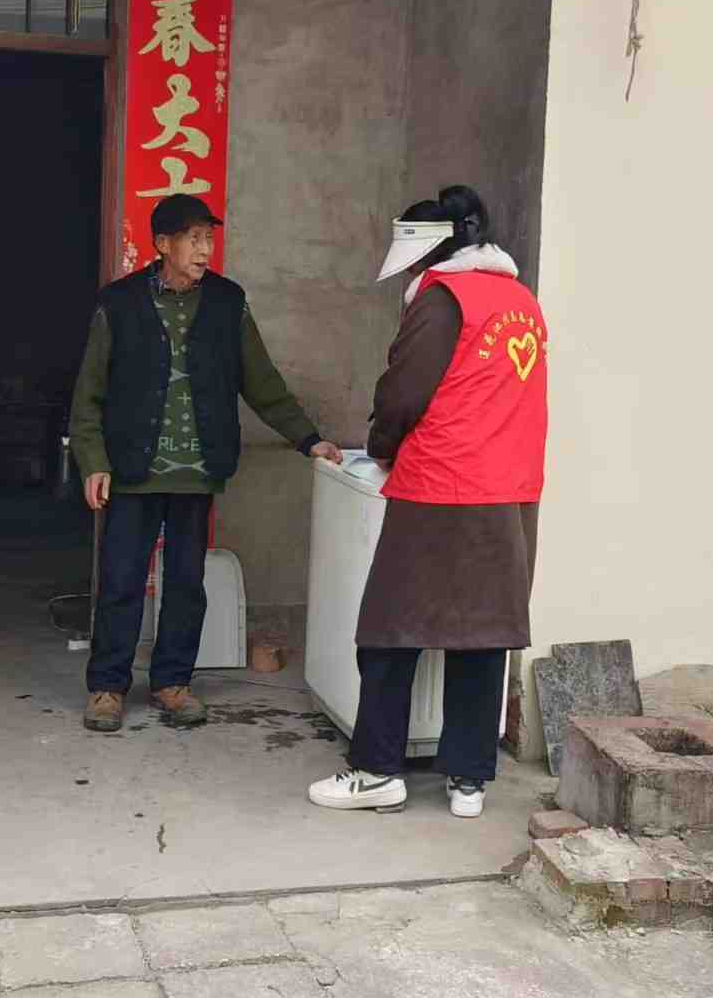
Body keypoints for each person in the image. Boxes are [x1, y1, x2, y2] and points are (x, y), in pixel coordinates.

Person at [307, 186, 547, 818]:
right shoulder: (522, 301)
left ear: (433, 252)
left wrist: (380, 447)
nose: (410, 274)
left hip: (439, 487)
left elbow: (403, 393)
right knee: (482, 635)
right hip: (510, 494)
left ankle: (377, 770)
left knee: (390, 630)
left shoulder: (443, 298)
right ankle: (469, 780)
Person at [70, 195, 340, 731]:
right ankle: (107, 687)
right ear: (162, 244)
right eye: (192, 239)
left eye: (208, 238)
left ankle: (172, 682)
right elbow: (88, 395)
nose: (204, 249)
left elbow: (262, 383)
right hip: (132, 471)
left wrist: (308, 439)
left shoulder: (227, 302)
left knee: (186, 584)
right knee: (121, 580)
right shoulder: (118, 303)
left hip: (197, 472)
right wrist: (93, 461)